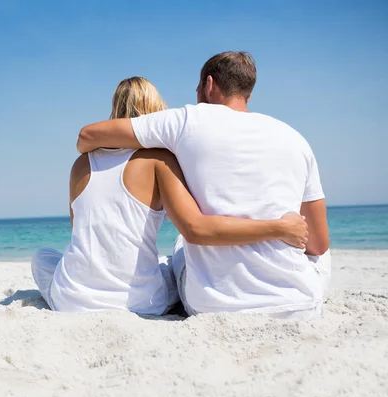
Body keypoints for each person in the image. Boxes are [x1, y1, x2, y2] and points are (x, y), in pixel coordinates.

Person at [76, 52, 331, 320]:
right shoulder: (295, 139)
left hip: (214, 306)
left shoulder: (186, 121)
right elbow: (317, 244)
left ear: (209, 84)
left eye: (198, 88)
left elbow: (87, 135)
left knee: (179, 247)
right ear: (248, 94)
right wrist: (280, 229)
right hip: (298, 305)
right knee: (321, 255)